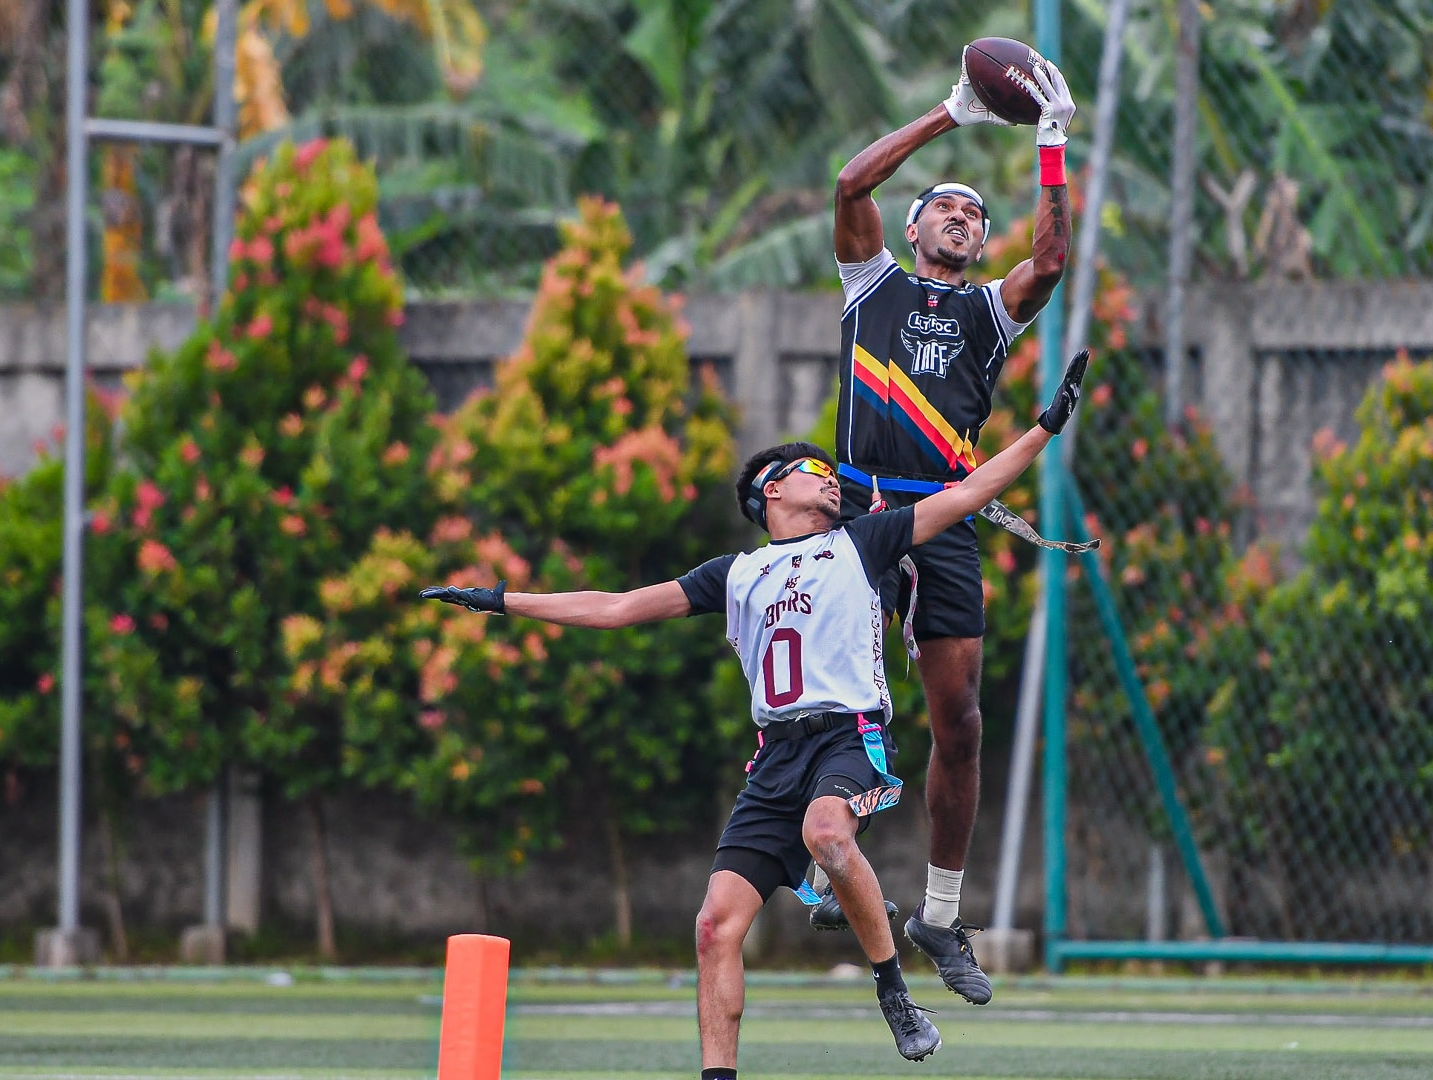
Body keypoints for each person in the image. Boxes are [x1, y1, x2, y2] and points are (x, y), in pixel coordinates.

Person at [419, 351, 1090, 1071]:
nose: (830, 477)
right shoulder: (733, 575)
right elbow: (615, 608)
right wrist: (501, 600)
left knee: (827, 832)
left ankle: (893, 992)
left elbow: (968, 491)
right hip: (774, 757)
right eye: (812, 469)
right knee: (714, 925)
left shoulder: (863, 542)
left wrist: (1045, 428)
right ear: (771, 491)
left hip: (848, 737)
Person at [816, 47, 1077, 1005]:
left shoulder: (988, 313)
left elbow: (1050, 258)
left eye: (976, 213)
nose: (963, 218)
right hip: (858, 509)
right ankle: (824, 857)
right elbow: (849, 181)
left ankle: (939, 910)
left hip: (947, 517)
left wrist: (1049, 142)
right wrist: (953, 113)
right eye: (947, 208)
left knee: (959, 725)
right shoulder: (867, 285)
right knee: (840, 706)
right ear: (915, 225)